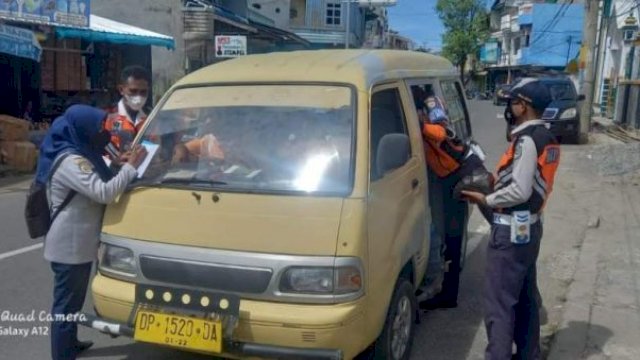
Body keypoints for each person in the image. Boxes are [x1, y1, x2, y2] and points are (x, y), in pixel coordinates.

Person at [36, 105, 147, 360]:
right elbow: (104, 192)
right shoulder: (71, 161)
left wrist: (119, 164)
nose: (102, 133)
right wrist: (131, 168)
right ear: (82, 130)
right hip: (69, 248)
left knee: (73, 303)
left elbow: (101, 176)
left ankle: (70, 342)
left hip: (78, 245)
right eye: (98, 128)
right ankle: (62, 354)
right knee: (65, 306)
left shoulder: (84, 154)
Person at [462, 78, 561, 360]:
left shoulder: (527, 140)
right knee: (526, 299)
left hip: (511, 232)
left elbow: (519, 189)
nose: (510, 107)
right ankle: (529, 354)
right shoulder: (548, 137)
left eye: (514, 102)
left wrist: (486, 199)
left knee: (499, 305)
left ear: (525, 106)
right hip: (530, 228)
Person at [418, 94, 493, 310]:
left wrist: (419, 125)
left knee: (498, 224)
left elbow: (442, 132)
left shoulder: (429, 102)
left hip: (464, 173)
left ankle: (450, 295)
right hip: (452, 176)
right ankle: (448, 292)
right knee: (451, 236)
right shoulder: (422, 107)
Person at [105, 65, 151, 152]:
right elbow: (101, 151)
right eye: (133, 91)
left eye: (143, 92)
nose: (138, 96)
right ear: (121, 89)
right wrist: (115, 160)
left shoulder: (151, 116)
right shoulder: (108, 117)